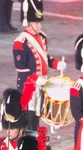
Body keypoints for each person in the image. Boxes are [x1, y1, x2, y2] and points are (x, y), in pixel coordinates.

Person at [13, 0, 66, 129]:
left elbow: (44, 57)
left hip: (41, 84)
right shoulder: (20, 42)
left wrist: (56, 63)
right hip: (28, 86)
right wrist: (36, 78)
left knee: (37, 115)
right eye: (36, 23)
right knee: (28, 118)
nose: (39, 26)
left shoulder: (42, 37)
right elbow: (20, 67)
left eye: (39, 23)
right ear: (28, 23)